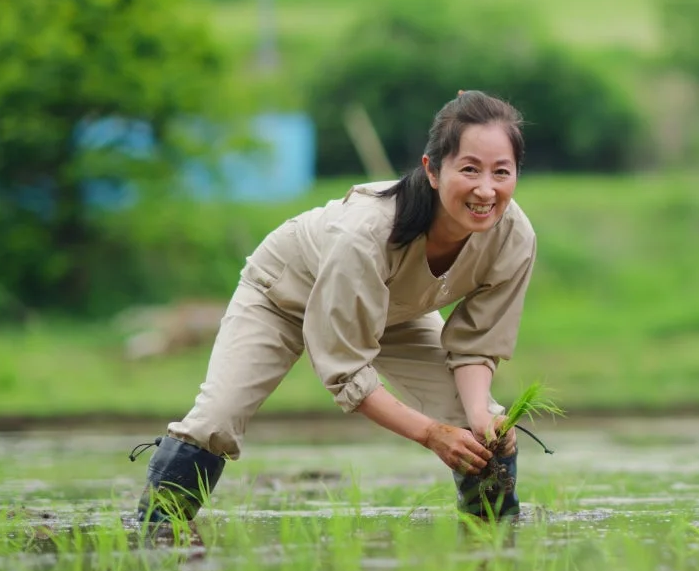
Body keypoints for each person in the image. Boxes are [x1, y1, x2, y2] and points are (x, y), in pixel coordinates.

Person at [131, 91, 537, 524]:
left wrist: (477, 417)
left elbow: (476, 345)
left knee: (484, 426)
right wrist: (431, 435)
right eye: (470, 169)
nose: (486, 189)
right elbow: (346, 372)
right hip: (282, 297)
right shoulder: (365, 232)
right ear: (432, 171)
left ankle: (494, 543)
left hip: (392, 310)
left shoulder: (512, 236)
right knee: (215, 422)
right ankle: (152, 536)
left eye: (501, 172)